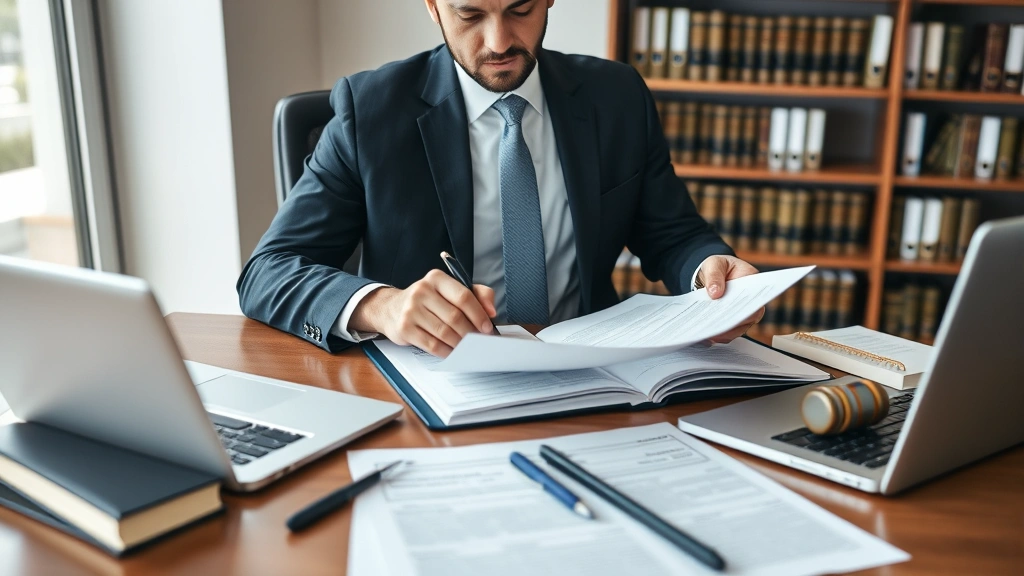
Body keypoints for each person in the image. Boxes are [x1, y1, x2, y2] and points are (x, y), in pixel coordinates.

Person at [237, 0, 763, 357]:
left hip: (592, 372)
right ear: (432, 5)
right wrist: (384, 305)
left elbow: (673, 234)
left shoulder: (616, 95)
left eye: (520, 9)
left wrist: (707, 272)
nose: (499, 41)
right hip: (436, 381)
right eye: (469, 13)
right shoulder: (370, 110)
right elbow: (268, 272)